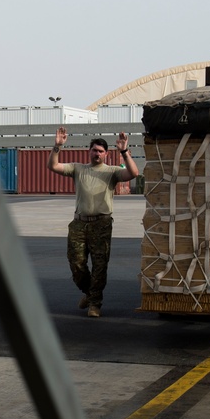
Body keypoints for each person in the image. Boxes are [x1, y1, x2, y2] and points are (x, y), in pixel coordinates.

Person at [47, 127, 139, 318]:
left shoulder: (112, 172)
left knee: (99, 266)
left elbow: (134, 173)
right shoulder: (78, 169)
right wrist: (57, 146)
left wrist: (124, 152)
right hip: (79, 224)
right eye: (94, 150)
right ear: (89, 151)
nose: (96, 153)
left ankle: (95, 304)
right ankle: (89, 294)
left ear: (106, 154)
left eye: (100, 151)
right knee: (76, 264)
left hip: (101, 224)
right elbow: (53, 167)